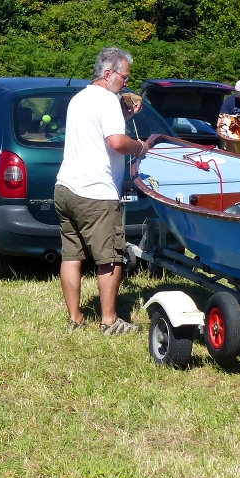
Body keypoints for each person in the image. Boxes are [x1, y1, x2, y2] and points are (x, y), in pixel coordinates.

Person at [55, 46, 148, 336]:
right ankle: (109, 321)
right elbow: (117, 143)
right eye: (124, 77)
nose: (126, 83)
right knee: (110, 257)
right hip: (96, 193)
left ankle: (75, 318)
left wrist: (126, 116)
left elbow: (100, 131)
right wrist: (141, 147)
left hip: (65, 188)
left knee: (72, 256)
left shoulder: (79, 99)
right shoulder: (108, 100)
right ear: (108, 73)